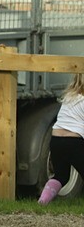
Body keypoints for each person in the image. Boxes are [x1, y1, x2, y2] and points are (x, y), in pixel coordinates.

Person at [39, 73, 84, 204]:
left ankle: (43, 200)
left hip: (56, 141)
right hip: (74, 142)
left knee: (61, 176)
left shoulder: (68, 98)